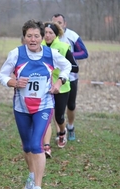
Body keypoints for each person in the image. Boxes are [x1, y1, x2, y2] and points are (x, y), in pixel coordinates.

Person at [0, 19, 71, 189]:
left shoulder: (51, 54)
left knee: (37, 144)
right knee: (27, 146)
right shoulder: (16, 54)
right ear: (24, 37)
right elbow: (1, 75)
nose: (33, 39)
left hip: (44, 106)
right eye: (29, 36)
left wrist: (59, 82)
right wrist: (14, 82)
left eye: (36, 36)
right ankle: (31, 174)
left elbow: (67, 66)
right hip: (21, 107)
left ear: (42, 37)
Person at [42, 21, 79, 158]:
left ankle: (62, 132)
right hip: (44, 88)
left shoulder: (63, 47)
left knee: (58, 116)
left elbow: (75, 67)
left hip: (62, 87)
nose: (47, 35)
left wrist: (59, 67)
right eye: (45, 32)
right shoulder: (39, 47)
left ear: (56, 34)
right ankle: (46, 145)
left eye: (50, 33)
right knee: (45, 115)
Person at [52, 14, 88, 141]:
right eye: (54, 22)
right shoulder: (49, 36)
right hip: (54, 78)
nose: (57, 25)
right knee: (56, 106)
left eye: (59, 22)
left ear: (65, 24)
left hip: (71, 77)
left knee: (71, 105)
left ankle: (71, 126)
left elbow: (84, 53)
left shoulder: (72, 36)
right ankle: (59, 132)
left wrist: (68, 54)